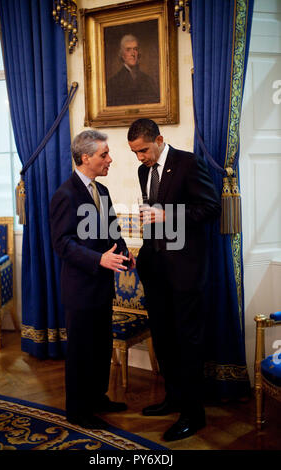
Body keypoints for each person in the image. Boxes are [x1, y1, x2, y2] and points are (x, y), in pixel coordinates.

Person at [127, 119, 221, 441]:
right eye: (135, 153)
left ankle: (193, 414)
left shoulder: (189, 163)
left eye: (143, 150)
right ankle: (173, 399)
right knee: (164, 338)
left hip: (185, 269)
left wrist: (169, 215)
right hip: (155, 268)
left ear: (159, 139)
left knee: (187, 341)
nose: (140, 158)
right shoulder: (144, 172)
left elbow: (210, 208)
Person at [50, 130, 135, 429]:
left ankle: (98, 398)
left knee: (100, 347)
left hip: (101, 287)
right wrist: (98, 259)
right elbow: (62, 244)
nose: (110, 159)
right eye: (104, 155)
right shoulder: (65, 194)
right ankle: (77, 411)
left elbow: (112, 231)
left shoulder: (102, 192)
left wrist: (123, 252)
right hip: (80, 288)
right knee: (81, 351)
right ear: (85, 158)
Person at [106, 34, 160, 107]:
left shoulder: (148, 79)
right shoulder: (113, 82)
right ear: (122, 54)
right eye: (128, 50)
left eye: (135, 49)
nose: (133, 54)